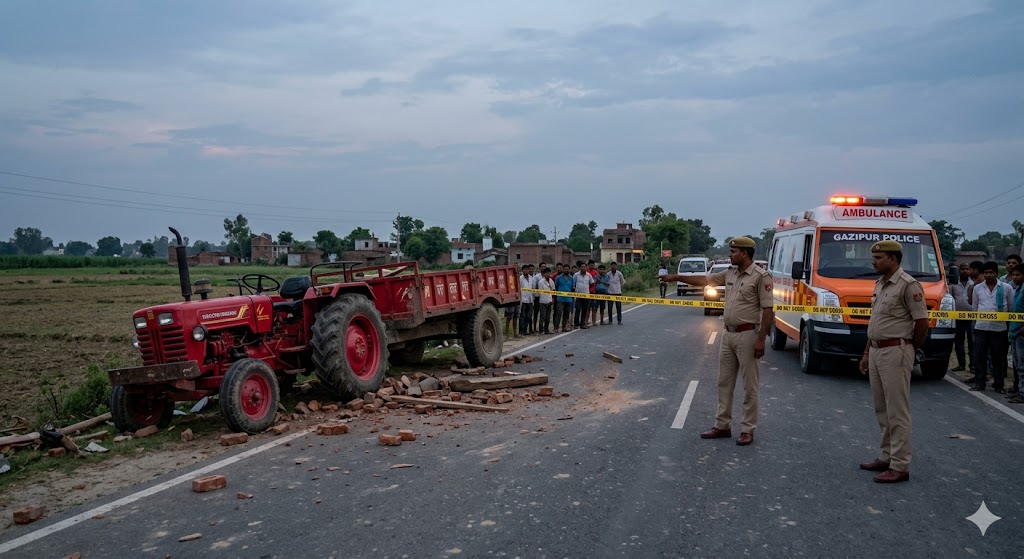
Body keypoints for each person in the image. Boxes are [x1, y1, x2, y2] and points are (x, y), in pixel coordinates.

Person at [661, 237, 772, 446]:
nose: (730, 255)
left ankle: (747, 429)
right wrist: (676, 277)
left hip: (748, 335)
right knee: (724, 382)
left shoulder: (760, 277)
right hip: (728, 334)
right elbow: (705, 280)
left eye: (733, 252)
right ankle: (722, 425)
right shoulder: (730, 273)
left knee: (750, 385)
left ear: (744, 253)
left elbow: (768, 310)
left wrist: (761, 340)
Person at [857, 240, 928, 484]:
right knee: (882, 408)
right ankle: (886, 456)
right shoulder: (880, 284)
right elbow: (875, 323)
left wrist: (908, 349)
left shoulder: (908, 285)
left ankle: (899, 465)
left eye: (879, 258)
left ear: (893, 259)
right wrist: (867, 352)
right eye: (874, 258)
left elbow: (922, 323)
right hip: (877, 350)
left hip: (896, 351)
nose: (873, 262)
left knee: (897, 411)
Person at [971, 261, 1013, 393]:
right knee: (980, 357)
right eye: (986, 273)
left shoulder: (1006, 288)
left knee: (998, 358)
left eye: (991, 272)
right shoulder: (978, 288)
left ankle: (999, 384)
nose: (988, 275)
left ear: (997, 273)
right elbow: (975, 308)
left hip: (999, 328)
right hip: (981, 327)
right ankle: (980, 383)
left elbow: (1010, 308)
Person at [949, 263, 974, 373]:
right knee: (959, 342)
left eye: (967, 269)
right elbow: (950, 298)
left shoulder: (974, 283)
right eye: (963, 269)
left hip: (972, 317)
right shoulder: (953, 284)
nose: (965, 271)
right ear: (959, 271)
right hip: (957, 317)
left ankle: (973, 365)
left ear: (970, 270)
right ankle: (961, 364)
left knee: (972, 342)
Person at [1007, 264, 1024, 404]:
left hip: (1021, 332)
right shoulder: (1018, 289)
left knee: (1022, 366)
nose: (1014, 277)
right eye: (1013, 275)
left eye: (1018, 275)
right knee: (1018, 365)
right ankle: (1020, 390)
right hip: (1015, 332)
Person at [573, 263, 594, 329]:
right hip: (578, 295)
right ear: (580, 268)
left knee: (584, 310)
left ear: (586, 267)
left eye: (584, 267)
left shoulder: (589, 275)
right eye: (582, 267)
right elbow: (573, 283)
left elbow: (591, 283)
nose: (583, 268)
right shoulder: (576, 275)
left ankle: (583, 324)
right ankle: (576, 324)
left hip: (586, 295)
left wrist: (586, 289)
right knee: (578, 309)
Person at [555, 267, 575, 332]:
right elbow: (556, 286)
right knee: (559, 313)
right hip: (560, 298)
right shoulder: (558, 277)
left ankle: (564, 327)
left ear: (569, 270)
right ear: (563, 269)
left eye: (567, 269)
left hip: (568, 299)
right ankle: (556, 328)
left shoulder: (571, 278)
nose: (566, 270)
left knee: (566, 314)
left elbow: (572, 287)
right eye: (565, 269)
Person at [536, 267, 555, 334]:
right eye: (546, 273)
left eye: (549, 273)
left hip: (549, 301)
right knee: (542, 317)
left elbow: (553, 290)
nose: (547, 274)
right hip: (543, 301)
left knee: (548, 317)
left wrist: (552, 299)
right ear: (544, 274)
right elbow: (540, 292)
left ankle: (546, 330)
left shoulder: (551, 281)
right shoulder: (541, 282)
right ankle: (541, 330)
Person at [518, 265, 534, 337]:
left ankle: (525, 330)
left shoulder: (531, 278)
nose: (526, 271)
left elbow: (533, 287)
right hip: (523, 300)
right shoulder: (520, 278)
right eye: (525, 269)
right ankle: (521, 331)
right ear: (522, 270)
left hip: (530, 299)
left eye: (527, 269)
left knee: (528, 316)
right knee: (522, 316)